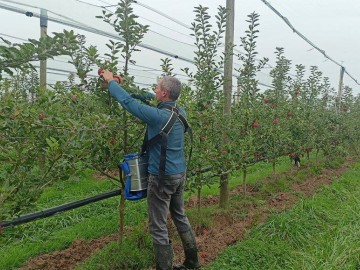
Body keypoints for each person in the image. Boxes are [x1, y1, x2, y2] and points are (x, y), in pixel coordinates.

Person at [101, 70, 200, 270]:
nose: (154, 90)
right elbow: (146, 100)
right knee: (179, 215)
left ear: (164, 94)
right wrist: (131, 89)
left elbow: (129, 104)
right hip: (179, 174)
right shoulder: (180, 112)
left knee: (158, 225)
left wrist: (111, 82)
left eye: (157, 88)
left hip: (162, 178)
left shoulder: (157, 117)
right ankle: (192, 262)